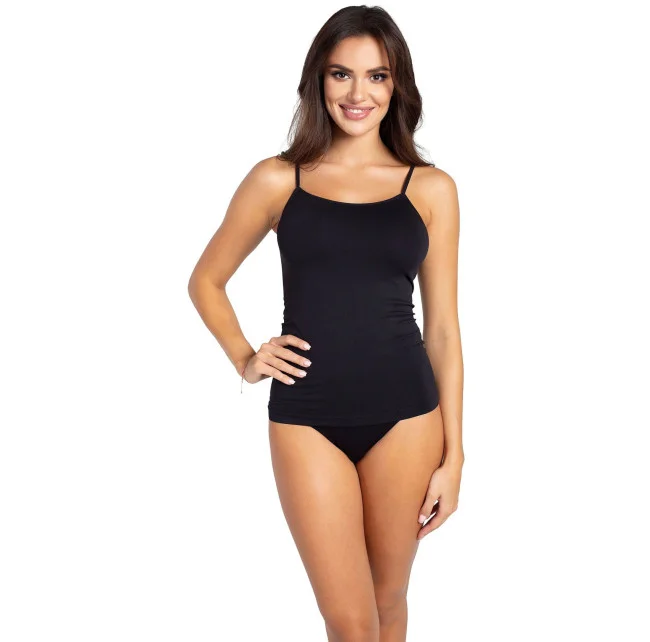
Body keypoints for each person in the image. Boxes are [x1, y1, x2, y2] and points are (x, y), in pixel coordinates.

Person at [188, 6, 464, 640]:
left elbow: (444, 331)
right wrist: (245, 356)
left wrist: (456, 457)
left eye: (377, 76)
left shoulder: (431, 189)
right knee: (349, 621)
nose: (358, 93)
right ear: (318, 79)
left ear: (397, 86)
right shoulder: (277, 179)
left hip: (408, 417)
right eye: (342, 74)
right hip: (305, 417)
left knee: (388, 600)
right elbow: (206, 280)